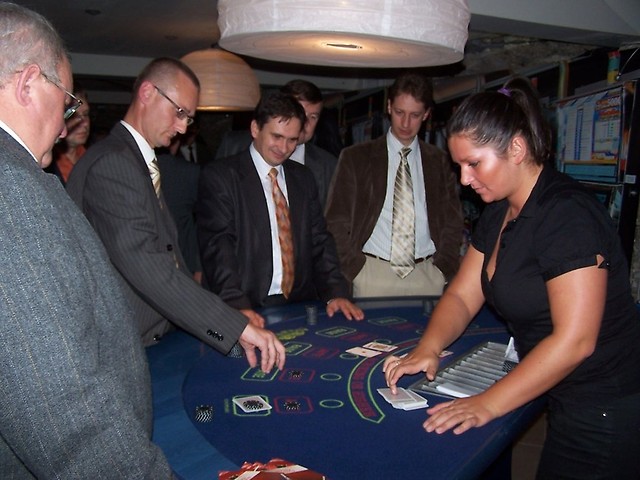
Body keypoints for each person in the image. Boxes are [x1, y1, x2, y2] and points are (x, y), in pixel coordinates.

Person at [383, 77, 640, 478]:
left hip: (606, 401)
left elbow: (575, 341)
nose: (464, 179)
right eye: (459, 166)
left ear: (516, 149)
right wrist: (428, 347)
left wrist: (488, 403)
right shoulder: (498, 212)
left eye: (473, 164)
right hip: (566, 395)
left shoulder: (567, 215)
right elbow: (463, 295)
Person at [0, 3, 173, 477]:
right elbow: (59, 405)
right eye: (66, 102)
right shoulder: (9, 187)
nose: (65, 125)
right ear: (27, 84)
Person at [66, 57, 286, 370]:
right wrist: (232, 326)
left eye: (189, 118)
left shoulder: (134, 160)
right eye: (179, 112)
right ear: (147, 93)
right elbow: (149, 267)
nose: (183, 127)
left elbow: (171, 259)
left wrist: (227, 315)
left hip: (155, 336)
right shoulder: (113, 163)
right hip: (125, 349)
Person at [197, 92, 363, 324]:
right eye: (277, 136)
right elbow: (219, 247)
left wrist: (336, 292)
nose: (284, 148)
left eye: (292, 140)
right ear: (255, 129)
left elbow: (319, 240)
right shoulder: (221, 177)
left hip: (297, 305)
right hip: (243, 305)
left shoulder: (303, 178)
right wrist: (236, 305)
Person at [325, 71, 463, 298]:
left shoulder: (439, 161)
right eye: (400, 112)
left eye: (415, 115)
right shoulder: (356, 157)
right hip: (372, 274)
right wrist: (355, 269)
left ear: (426, 114)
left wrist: (443, 269)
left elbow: (452, 221)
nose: (406, 123)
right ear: (389, 107)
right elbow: (335, 220)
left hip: (427, 275)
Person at [215, 79, 338, 207]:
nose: (304, 122)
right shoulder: (234, 146)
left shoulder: (328, 165)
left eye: (313, 117)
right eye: (298, 112)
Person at [157, 134, 202, 283]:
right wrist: (199, 267)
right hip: (184, 259)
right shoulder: (189, 172)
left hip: (145, 263)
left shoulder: (127, 168)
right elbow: (206, 220)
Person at [47, 81, 90, 185]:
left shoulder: (93, 158)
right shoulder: (45, 162)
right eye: (74, 116)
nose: (84, 123)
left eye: (85, 114)